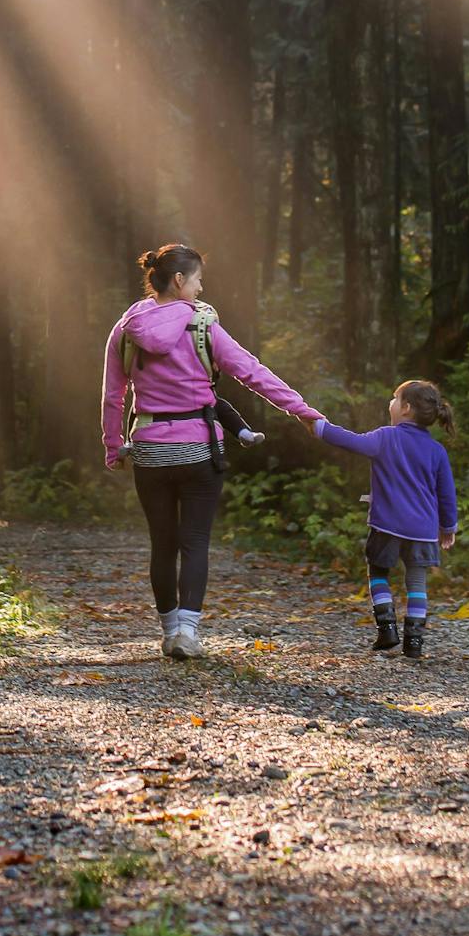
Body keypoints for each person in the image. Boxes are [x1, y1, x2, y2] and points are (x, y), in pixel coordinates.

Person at [99, 243, 321, 659]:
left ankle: (168, 633)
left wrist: (115, 446)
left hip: (149, 449)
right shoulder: (202, 325)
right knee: (194, 541)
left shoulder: (126, 327)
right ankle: (187, 632)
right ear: (180, 280)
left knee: (161, 543)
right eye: (198, 279)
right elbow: (252, 372)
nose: (201, 288)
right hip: (199, 448)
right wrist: (302, 411)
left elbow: (114, 396)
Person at [313, 380, 461, 661]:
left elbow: (351, 441)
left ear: (405, 409)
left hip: (387, 525)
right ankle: (414, 643)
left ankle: (387, 628)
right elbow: (447, 494)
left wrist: (320, 427)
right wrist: (448, 528)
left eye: (394, 399)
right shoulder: (437, 451)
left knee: (378, 572)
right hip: (423, 530)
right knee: (417, 583)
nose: (389, 404)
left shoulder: (385, 437)